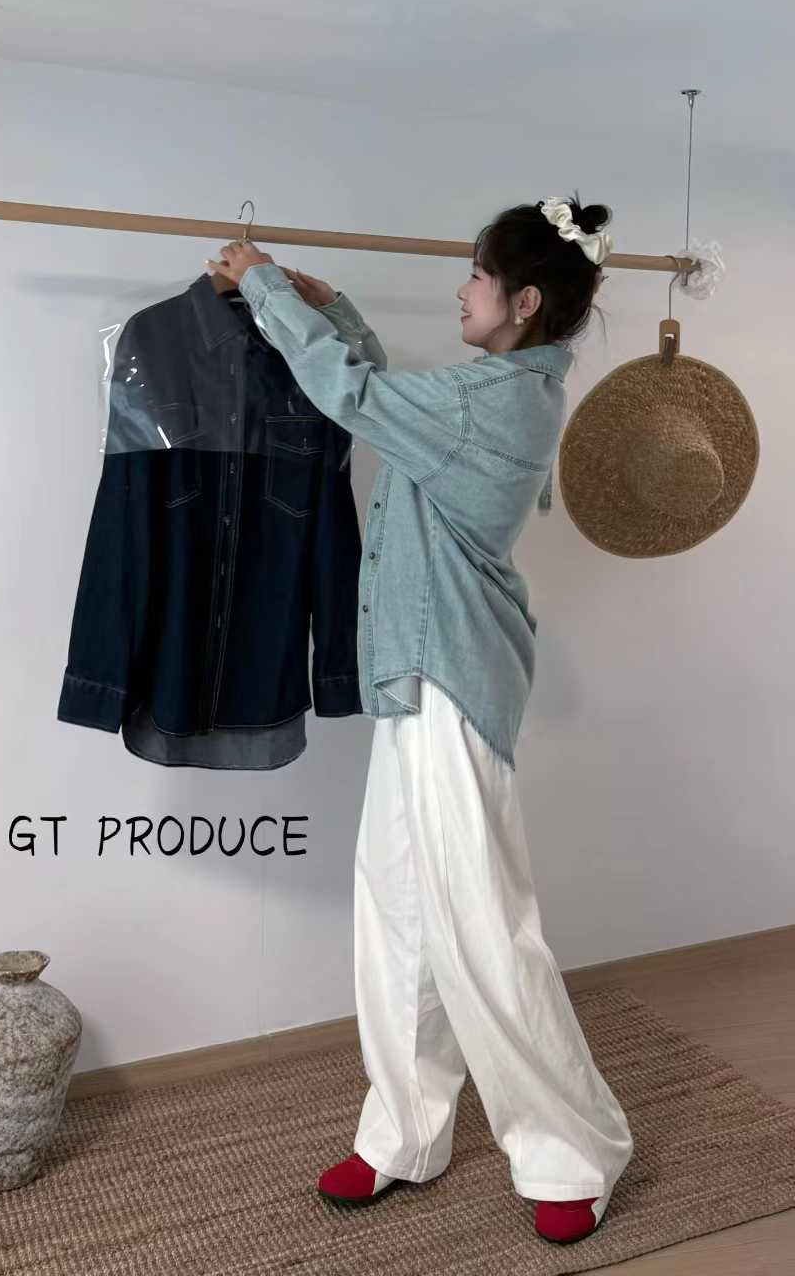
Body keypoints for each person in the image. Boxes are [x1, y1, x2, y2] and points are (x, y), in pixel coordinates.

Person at [205, 195, 634, 1247]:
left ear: (523, 302)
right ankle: (405, 1133)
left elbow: (354, 396)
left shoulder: (501, 405)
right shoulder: (486, 392)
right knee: (398, 912)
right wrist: (331, 304)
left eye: (478, 275)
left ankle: (573, 1150)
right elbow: (385, 393)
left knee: (484, 924)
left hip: (452, 680)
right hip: (415, 675)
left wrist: (266, 285)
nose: (462, 290)